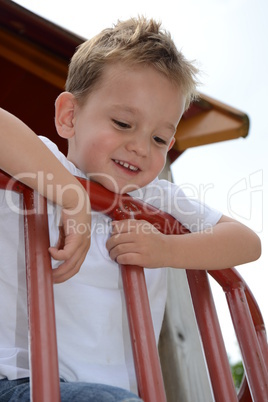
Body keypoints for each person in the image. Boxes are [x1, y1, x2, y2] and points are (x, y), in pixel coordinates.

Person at [0, 16, 261, 402]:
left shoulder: (155, 198)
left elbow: (246, 242)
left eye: (159, 138)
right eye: (123, 123)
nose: (141, 146)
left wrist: (169, 250)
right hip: (21, 380)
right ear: (69, 116)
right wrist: (72, 195)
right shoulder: (43, 167)